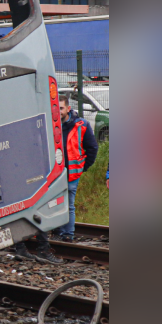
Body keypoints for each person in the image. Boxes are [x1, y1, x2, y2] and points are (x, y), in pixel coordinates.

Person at [56, 92, 98, 241]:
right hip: (53, 174)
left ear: (68, 108)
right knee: (53, 204)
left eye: (60, 108)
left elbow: (92, 148)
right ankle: (57, 231)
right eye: (55, 108)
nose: (58, 112)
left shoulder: (82, 125)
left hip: (71, 173)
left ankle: (67, 235)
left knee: (68, 205)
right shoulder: (49, 124)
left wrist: (83, 167)